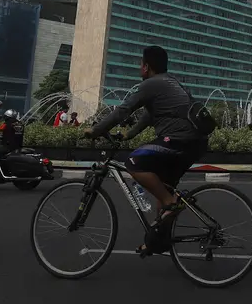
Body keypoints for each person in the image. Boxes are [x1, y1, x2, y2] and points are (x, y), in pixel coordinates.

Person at [83, 45, 209, 256]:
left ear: (147, 66)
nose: (139, 68)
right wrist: (127, 135)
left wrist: (97, 130)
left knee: (134, 162)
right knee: (164, 189)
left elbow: (123, 110)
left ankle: (171, 203)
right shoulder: (171, 82)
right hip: (196, 143)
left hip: (179, 140)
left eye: (140, 64)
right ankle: (157, 242)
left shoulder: (151, 84)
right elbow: (148, 117)